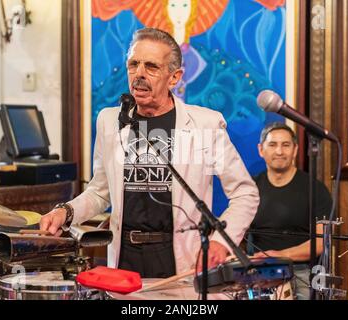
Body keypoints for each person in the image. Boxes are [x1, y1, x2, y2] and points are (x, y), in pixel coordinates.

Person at [40, 28, 259, 279]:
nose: (139, 74)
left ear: (174, 77)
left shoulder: (204, 124)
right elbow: (100, 191)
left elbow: (245, 193)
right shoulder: (109, 121)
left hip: (181, 261)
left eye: (151, 67)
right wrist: (65, 212)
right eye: (134, 64)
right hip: (124, 259)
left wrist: (221, 241)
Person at [247, 122, 332, 300]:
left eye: (285, 145)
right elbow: (238, 234)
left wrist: (280, 255)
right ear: (260, 150)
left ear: (295, 150)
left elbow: (320, 243)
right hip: (259, 269)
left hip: (301, 270)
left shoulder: (315, 189)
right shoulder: (250, 188)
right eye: (272, 145)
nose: (279, 151)